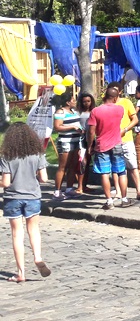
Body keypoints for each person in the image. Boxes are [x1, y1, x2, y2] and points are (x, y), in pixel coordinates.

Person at [1, 122, 52, 282]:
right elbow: (44, 178)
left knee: (17, 234)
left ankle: (21, 273)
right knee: (34, 230)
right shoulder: (37, 154)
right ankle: (37, 257)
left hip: (13, 198)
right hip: (32, 196)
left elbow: (6, 182)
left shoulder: (6, 157)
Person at [86, 87, 129, 210]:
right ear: (115, 98)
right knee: (121, 171)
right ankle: (124, 199)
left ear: (105, 96)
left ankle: (109, 201)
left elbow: (91, 131)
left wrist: (90, 145)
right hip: (117, 143)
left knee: (104, 173)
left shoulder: (95, 111)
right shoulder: (120, 109)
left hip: (101, 144)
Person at [108, 81, 140, 202]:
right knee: (116, 167)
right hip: (112, 141)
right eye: (111, 90)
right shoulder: (107, 105)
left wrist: (125, 129)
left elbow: (134, 119)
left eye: (115, 90)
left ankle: (139, 191)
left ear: (119, 91)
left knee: (133, 166)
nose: (113, 93)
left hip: (126, 139)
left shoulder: (126, 102)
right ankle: (118, 191)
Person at [51, 91, 82, 200]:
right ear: (68, 102)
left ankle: (69, 188)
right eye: (73, 100)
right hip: (65, 142)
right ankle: (57, 191)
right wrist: (72, 127)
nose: (75, 102)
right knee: (63, 167)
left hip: (76, 141)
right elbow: (58, 127)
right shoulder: (60, 112)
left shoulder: (74, 111)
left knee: (73, 165)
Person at [76, 92, 96, 194]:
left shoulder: (94, 111)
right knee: (82, 162)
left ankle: (84, 185)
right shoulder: (78, 112)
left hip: (91, 138)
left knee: (87, 163)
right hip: (81, 138)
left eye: (88, 101)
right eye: (84, 101)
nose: (86, 103)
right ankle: (80, 186)